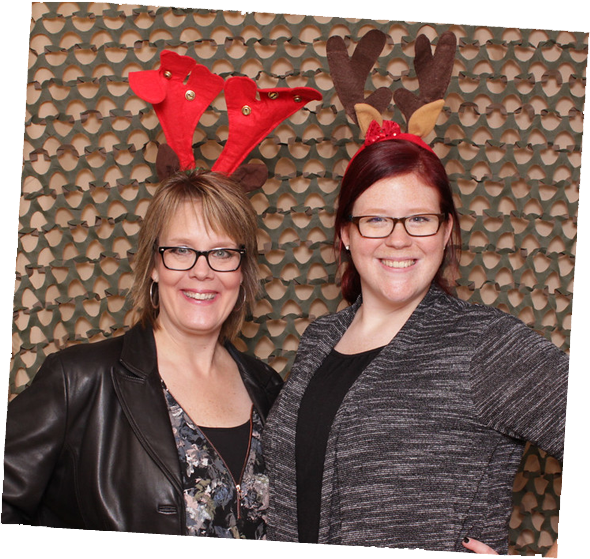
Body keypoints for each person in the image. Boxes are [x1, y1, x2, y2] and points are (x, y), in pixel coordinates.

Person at [263, 133, 590, 559]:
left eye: (419, 219)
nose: (399, 240)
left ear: (446, 229)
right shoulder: (320, 340)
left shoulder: (481, 344)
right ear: (346, 232)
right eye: (376, 220)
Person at [0, 170, 283, 559]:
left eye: (222, 253)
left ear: (241, 271)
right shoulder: (80, 381)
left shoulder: (268, 387)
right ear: (153, 264)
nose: (202, 271)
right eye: (181, 250)